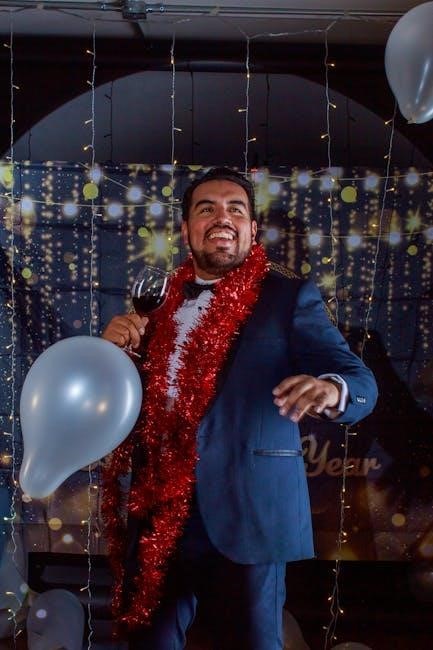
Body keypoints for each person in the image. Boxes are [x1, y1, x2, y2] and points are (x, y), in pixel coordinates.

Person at [101, 167, 378, 650]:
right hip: (159, 512)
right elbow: (133, 402)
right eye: (206, 208)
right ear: (186, 229)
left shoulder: (289, 297)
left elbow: (359, 381)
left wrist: (332, 390)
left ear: (252, 229)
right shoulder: (158, 302)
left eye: (236, 209)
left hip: (248, 511)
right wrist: (112, 354)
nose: (222, 218)